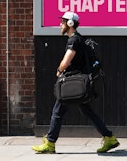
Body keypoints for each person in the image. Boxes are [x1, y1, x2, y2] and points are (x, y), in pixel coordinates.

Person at [31, 12, 120, 154]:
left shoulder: (73, 40)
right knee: (86, 111)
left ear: (70, 24)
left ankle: (50, 143)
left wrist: (59, 70)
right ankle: (109, 138)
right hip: (79, 84)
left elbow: (66, 60)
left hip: (74, 84)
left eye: (62, 22)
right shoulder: (79, 39)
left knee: (58, 111)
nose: (60, 25)